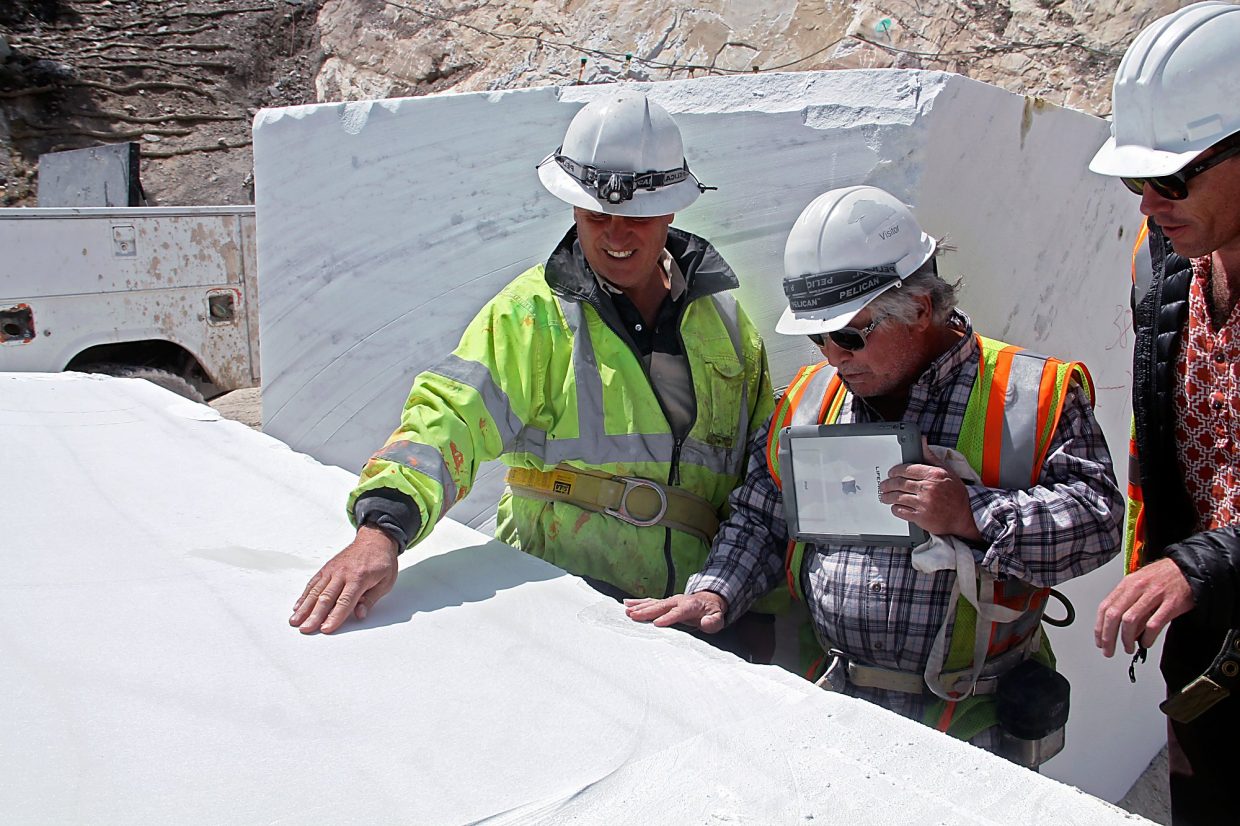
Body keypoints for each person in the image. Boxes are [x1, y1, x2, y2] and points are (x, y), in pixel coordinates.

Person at [627, 185, 1123, 764]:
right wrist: (717, 590)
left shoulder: (1030, 394)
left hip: (969, 724)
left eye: (849, 335)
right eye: (819, 337)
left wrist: (973, 514)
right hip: (832, 708)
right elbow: (762, 515)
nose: (832, 357)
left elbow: (1099, 521)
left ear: (918, 308)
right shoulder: (809, 401)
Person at [289, 93, 779, 656]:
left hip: (694, 621)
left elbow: (763, 477)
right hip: (568, 612)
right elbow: (449, 418)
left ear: (670, 210)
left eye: (636, 218)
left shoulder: (724, 322)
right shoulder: (531, 315)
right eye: (597, 215)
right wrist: (382, 529)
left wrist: (745, 604)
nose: (615, 236)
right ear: (573, 208)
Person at [1089, 3, 1240, 821]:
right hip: (1209, 659)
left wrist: (1201, 564)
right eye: (1132, 180)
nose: (1148, 203)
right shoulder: (1162, 264)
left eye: (1171, 178)